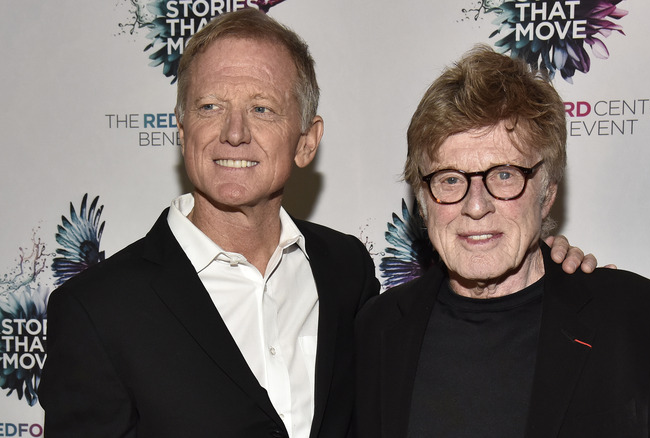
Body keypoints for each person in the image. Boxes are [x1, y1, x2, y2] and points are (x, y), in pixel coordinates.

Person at [38, 9, 595, 438]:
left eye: (263, 108)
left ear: (307, 141)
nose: (234, 132)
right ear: (181, 131)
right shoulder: (97, 310)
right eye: (209, 107)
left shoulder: (345, 271)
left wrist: (552, 270)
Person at [354, 46, 650, 438]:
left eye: (504, 175)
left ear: (548, 191)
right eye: (450, 179)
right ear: (422, 200)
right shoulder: (376, 331)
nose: (476, 206)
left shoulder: (646, 323)